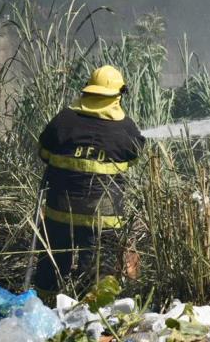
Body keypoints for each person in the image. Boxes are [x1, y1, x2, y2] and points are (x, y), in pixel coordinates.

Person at [33, 65, 145, 300]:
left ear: (88, 91)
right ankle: (96, 317)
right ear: (118, 96)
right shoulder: (126, 129)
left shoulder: (64, 120)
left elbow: (43, 152)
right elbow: (134, 158)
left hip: (60, 210)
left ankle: (43, 307)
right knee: (98, 269)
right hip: (103, 216)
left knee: (51, 263)